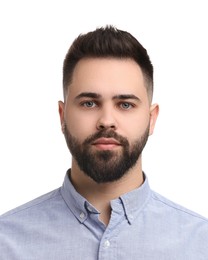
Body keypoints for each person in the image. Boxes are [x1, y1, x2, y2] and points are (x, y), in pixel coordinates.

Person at [0, 25, 208, 260]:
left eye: (125, 104)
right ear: (62, 115)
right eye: (89, 103)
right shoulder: (5, 241)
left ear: (151, 119)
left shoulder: (201, 244)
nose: (107, 121)